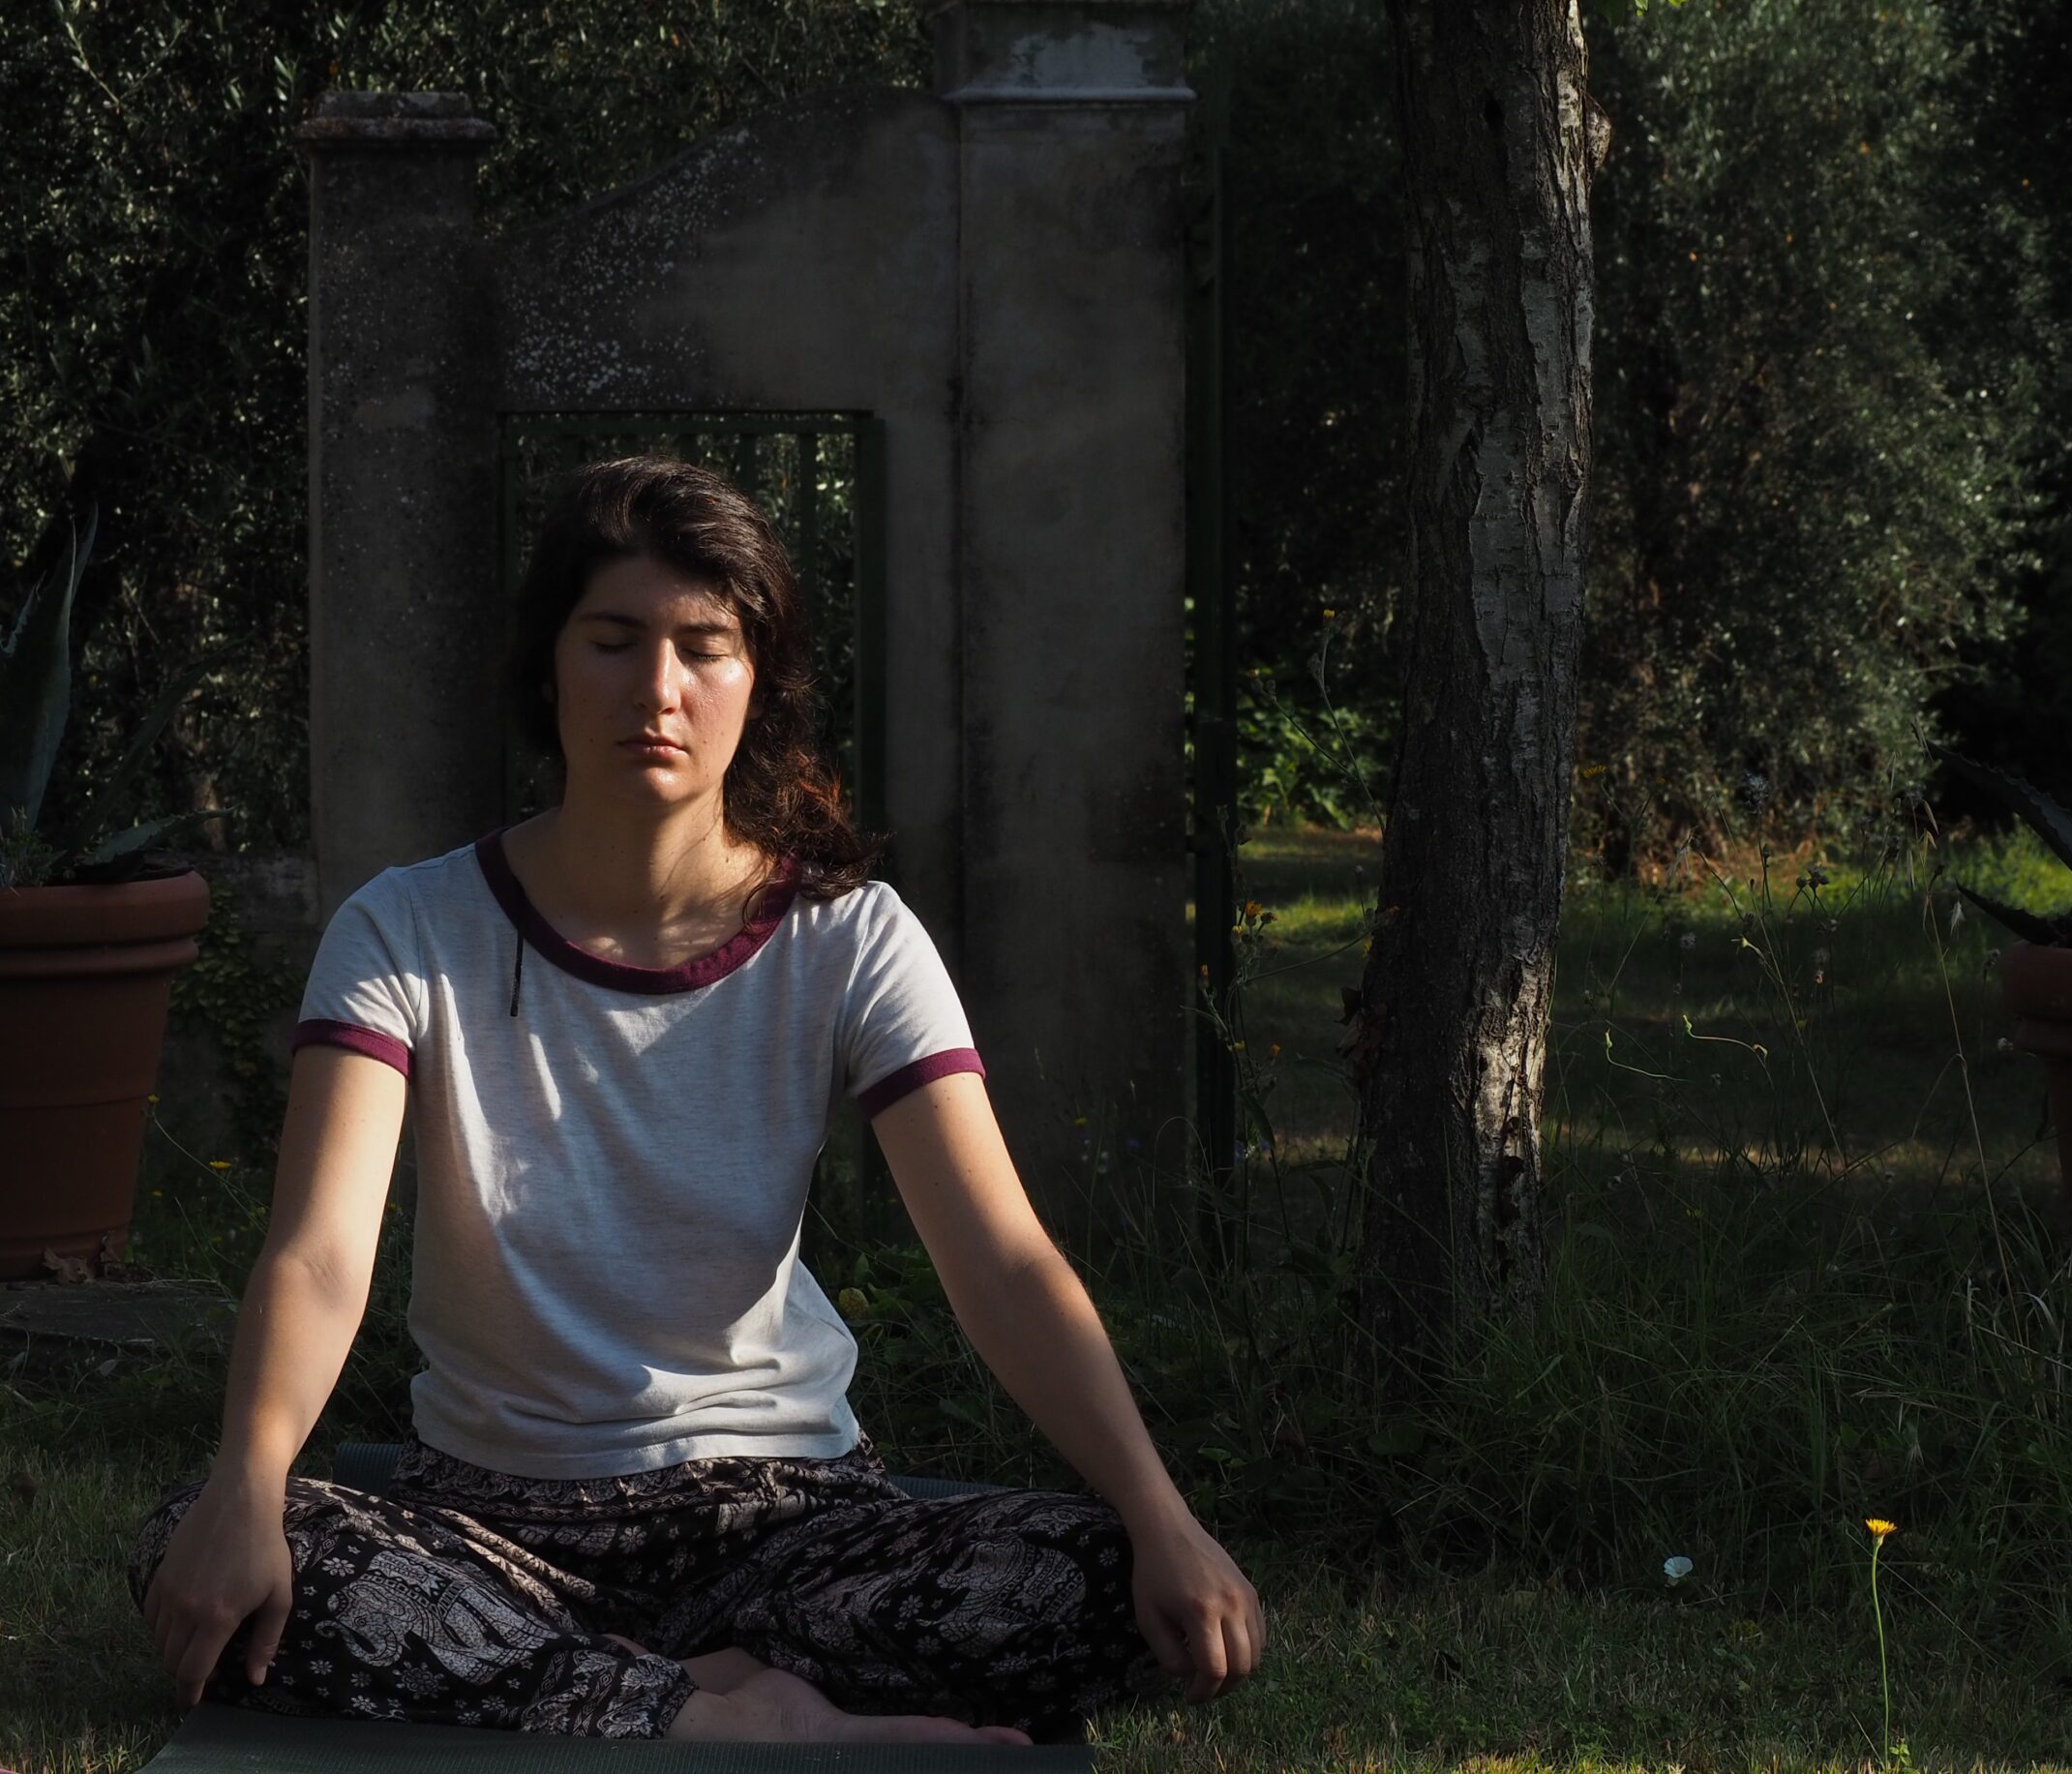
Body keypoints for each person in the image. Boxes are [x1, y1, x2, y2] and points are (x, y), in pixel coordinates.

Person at [127, 455, 1264, 1746]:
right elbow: (321, 1254)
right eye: (613, 641)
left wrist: (1161, 1516)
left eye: (704, 647)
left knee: (1098, 1576)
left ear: (757, 678)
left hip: (788, 1527)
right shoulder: (406, 928)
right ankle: (744, 1722)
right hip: (494, 1530)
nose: (657, 690)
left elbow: (1001, 1261)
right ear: (549, 667)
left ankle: (615, 1695)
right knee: (205, 1541)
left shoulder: (850, 938)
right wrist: (247, 1481)